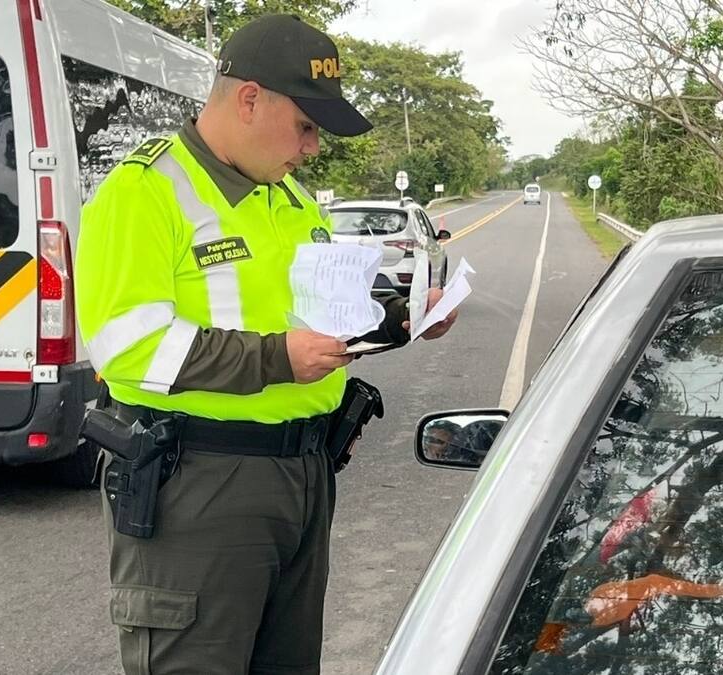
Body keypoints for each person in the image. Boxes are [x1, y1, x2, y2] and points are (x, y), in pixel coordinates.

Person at [74, 14, 458, 675]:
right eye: (305, 125)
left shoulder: (291, 199)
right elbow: (127, 345)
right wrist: (278, 359)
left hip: (303, 474)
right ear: (249, 99)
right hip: (201, 481)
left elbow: (321, 313)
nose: (312, 147)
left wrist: (402, 318)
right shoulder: (145, 191)